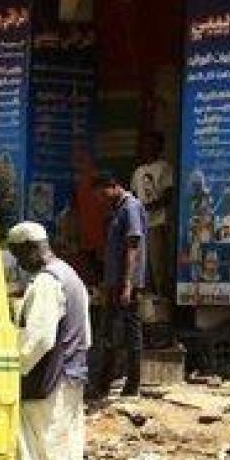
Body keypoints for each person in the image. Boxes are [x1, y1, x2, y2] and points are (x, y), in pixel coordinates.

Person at [5, 221, 92, 460]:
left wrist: (10, 367)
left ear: (28, 249)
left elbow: (39, 339)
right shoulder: (69, 275)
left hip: (46, 388)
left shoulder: (45, 283)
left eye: (17, 256)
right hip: (69, 383)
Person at [88, 171, 148, 400]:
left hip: (126, 284)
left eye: (103, 193)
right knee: (109, 332)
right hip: (114, 283)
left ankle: (132, 385)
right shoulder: (116, 209)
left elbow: (133, 245)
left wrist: (127, 284)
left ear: (113, 186)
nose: (102, 199)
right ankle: (105, 382)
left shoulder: (130, 207)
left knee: (131, 333)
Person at [131, 132, 175, 297]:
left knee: (158, 266)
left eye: (153, 144)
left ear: (159, 147)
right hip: (139, 226)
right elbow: (134, 196)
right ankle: (147, 306)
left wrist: (147, 207)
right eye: (146, 144)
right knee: (143, 267)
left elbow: (168, 196)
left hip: (157, 223)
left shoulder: (164, 167)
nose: (148, 147)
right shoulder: (138, 171)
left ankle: (162, 302)